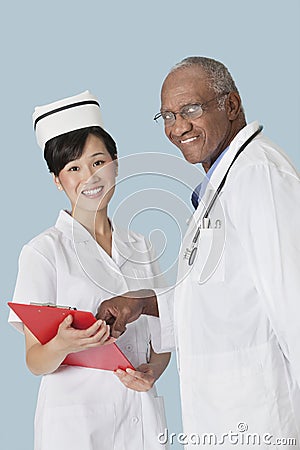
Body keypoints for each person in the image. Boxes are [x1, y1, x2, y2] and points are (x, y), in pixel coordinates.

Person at [97, 57, 300, 447]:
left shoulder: (259, 175)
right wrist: (141, 304)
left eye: (191, 109)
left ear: (232, 105)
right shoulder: (222, 184)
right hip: (227, 420)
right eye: (168, 115)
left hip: (265, 421)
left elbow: (294, 305)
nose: (178, 127)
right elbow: (218, 299)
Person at [8, 90, 170, 450]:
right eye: (74, 168)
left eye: (98, 162)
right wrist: (63, 344)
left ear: (116, 161)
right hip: (74, 425)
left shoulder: (141, 246)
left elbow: (163, 338)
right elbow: (35, 360)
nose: (90, 177)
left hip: (141, 418)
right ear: (57, 180)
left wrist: (151, 373)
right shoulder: (43, 252)